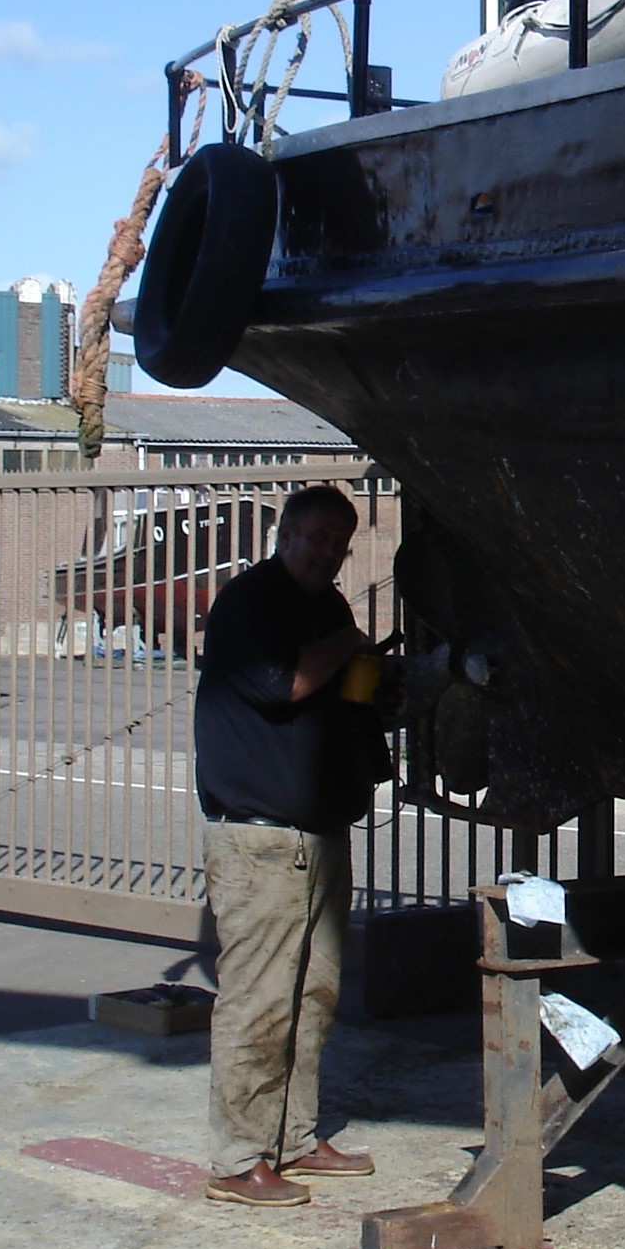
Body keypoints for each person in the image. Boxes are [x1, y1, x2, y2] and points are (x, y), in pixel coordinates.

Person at [195, 483, 383, 1207]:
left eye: (338, 544)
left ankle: (296, 1136)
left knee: (313, 995)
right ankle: (239, 1159)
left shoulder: (326, 609)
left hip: (319, 834)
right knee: (259, 1001)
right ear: (286, 535)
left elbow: (343, 698)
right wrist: (346, 644)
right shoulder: (253, 602)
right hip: (261, 841)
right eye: (316, 539)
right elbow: (286, 684)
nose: (327, 555)